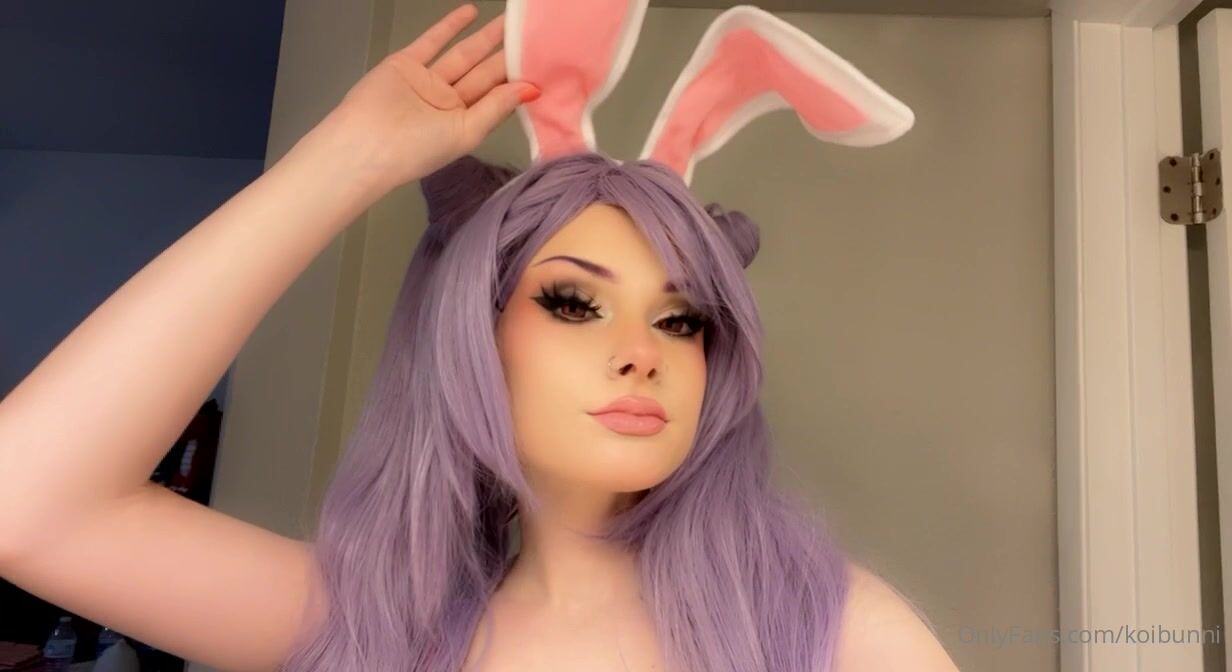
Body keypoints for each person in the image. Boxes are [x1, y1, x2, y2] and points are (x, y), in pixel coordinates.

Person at [0, 3, 959, 671]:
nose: (646, 352)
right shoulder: (375, 632)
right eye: (574, 303)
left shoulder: (827, 631)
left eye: (682, 320)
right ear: (471, 337)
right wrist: (346, 160)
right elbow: (25, 504)